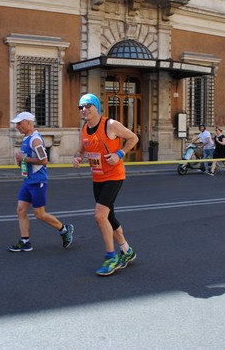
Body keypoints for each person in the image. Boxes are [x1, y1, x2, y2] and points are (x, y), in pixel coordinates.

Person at [72, 93, 138, 276]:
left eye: (87, 106)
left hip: (114, 175)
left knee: (100, 216)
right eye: (81, 107)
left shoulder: (110, 125)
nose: (84, 109)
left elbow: (133, 138)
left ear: (96, 107)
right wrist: (77, 157)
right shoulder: (84, 129)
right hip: (98, 177)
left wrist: (120, 154)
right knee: (109, 218)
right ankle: (127, 251)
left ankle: (111, 257)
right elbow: (80, 149)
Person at [8, 111, 74, 252]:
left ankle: (64, 229)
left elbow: (44, 161)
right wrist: (20, 162)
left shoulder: (35, 139)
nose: (17, 126)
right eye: (16, 124)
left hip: (38, 182)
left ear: (28, 122)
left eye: (19, 123)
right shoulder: (26, 139)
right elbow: (28, 161)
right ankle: (25, 241)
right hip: (28, 181)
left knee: (40, 214)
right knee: (21, 210)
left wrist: (24, 159)